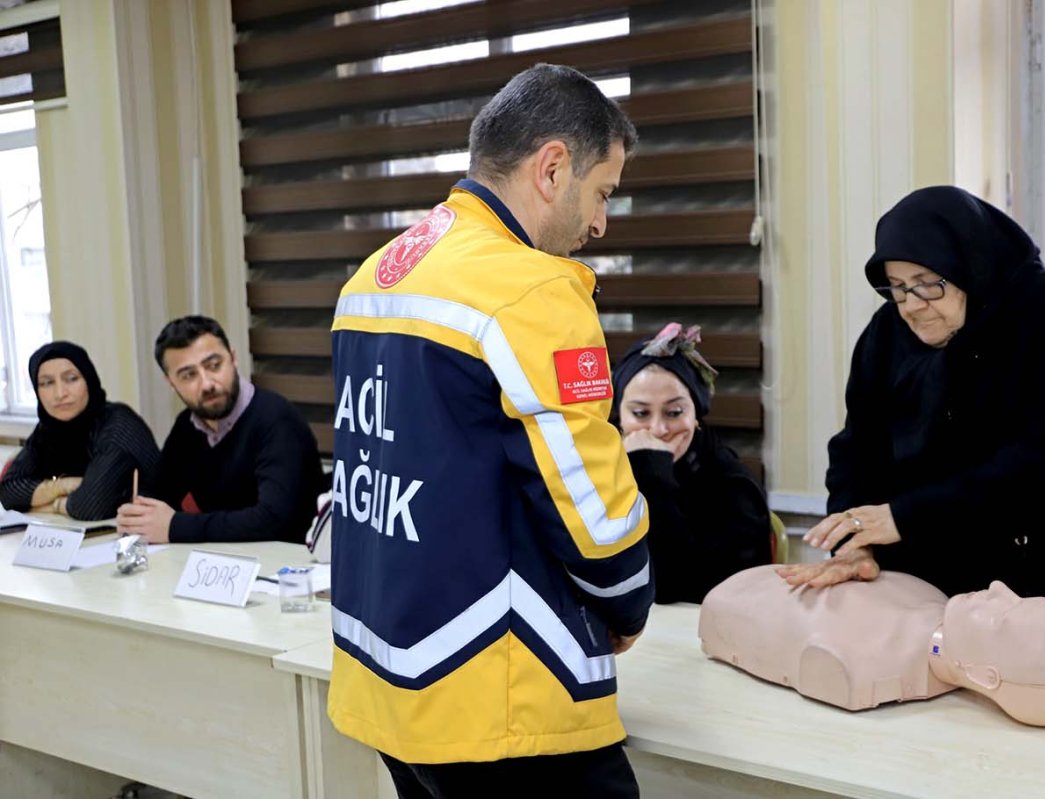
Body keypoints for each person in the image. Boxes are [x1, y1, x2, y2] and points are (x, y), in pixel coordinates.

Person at [328, 64, 653, 798]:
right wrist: (628, 600)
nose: (600, 224)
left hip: (392, 682)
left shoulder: (373, 278)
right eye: (603, 192)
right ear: (551, 167)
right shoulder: (529, 288)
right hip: (500, 691)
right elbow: (595, 512)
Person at [777, 186, 1045, 668]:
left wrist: (907, 516)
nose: (911, 304)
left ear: (968, 264)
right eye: (897, 286)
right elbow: (857, 448)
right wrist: (856, 541)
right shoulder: (887, 335)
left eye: (928, 282)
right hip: (963, 599)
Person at [702, 565, 1045, 726]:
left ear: (984, 675)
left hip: (741, 602)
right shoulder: (929, 593)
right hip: (750, 586)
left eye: (1002, 614)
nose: (998, 589)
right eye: (1015, 597)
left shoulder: (857, 665)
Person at [115, 315, 325, 544]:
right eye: (189, 375)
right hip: (224, 564)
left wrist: (175, 526)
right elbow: (159, 489)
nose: (207, 384)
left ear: (233, 359)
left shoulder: (277, 420)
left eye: (214, 366)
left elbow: (273, 520)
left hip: (288, 567)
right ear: (170, 382)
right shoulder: (187, 426)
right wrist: (139, 516)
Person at [612, 323, 772, 603]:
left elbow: (677, 586)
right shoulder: (601, 470)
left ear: (696, 414)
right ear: (620, 418)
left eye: (674, 412)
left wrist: (652, 475)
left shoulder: (734, 487)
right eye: (640, 413)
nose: (658, 428)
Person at [0, 341, 159, 520]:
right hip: (78, 536)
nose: (60, 393)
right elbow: (7, 492)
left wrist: (47, 504)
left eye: (71, 379)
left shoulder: (118, 424)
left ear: (89, 380)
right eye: (47, 383)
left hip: (150, 541)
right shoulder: (48, 429)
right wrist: (63, 486)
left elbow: (89, 507)